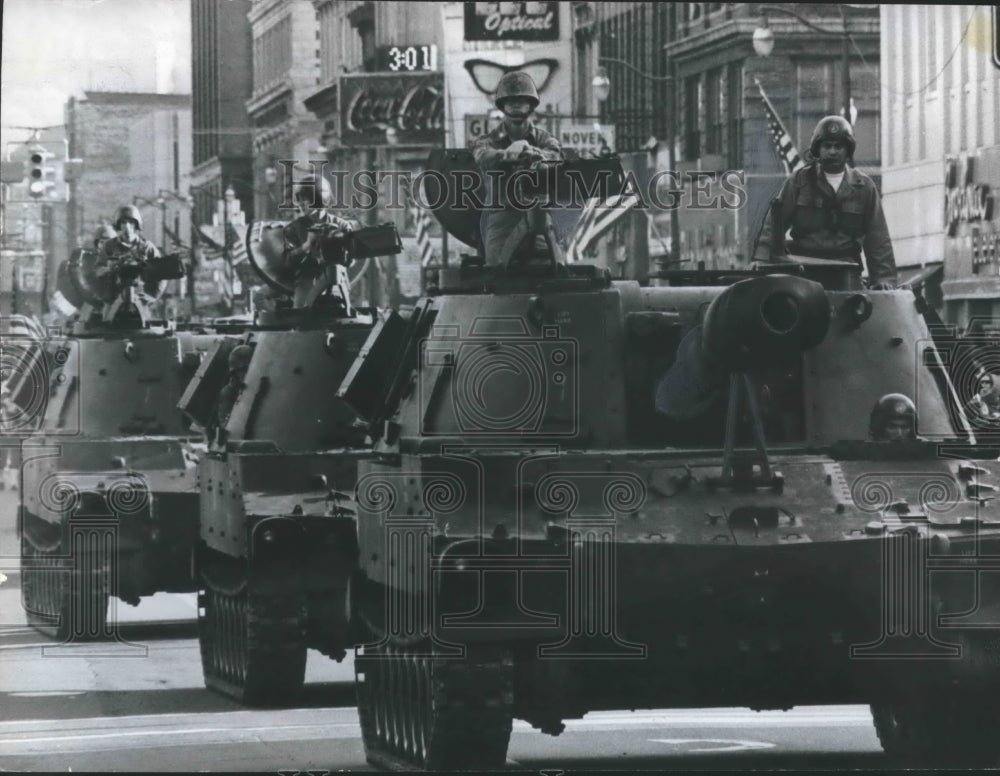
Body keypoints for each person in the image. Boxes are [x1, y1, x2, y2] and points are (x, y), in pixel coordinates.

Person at [753, 115, 898, 290]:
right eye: (827, 146)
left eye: (839, 146)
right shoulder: (799, 182)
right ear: (817, 149)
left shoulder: (864, 187)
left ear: (848, 150)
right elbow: (773, 226)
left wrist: (884, 280)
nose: (832, 152)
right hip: (803, 273)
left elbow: (878, 238)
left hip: (847, 274)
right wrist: (761, 260)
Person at [470, 70, 563, 265]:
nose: (516, 104)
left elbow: (557, 157)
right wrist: (509, 154)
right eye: (511, 100)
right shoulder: (489, 141)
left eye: (522, 100)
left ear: (531, 105)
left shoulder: (544, 139)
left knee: (553, 272)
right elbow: (482, 156)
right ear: (502, 105)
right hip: (503, 220)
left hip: (538, 218)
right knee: (496, 276)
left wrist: (536, 156)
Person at [208, 344, 252, 448]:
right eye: (243, 370)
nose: (245, 374)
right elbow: (227, 425)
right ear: (235, 372)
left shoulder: (246, 387)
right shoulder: (228, 392)